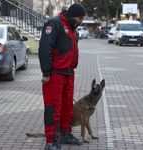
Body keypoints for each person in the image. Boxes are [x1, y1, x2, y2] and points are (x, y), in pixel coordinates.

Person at [38, 3, 86, 150]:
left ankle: (66, 133)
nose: (81, 21)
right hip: (54, 74)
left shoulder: (72, 28)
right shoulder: (54, 24)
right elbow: (45, 48)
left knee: (67, 108)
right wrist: (46, 72)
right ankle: (51, 140)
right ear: (73, 16)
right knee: (53, 108)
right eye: (80, 18)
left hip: (68, 73)